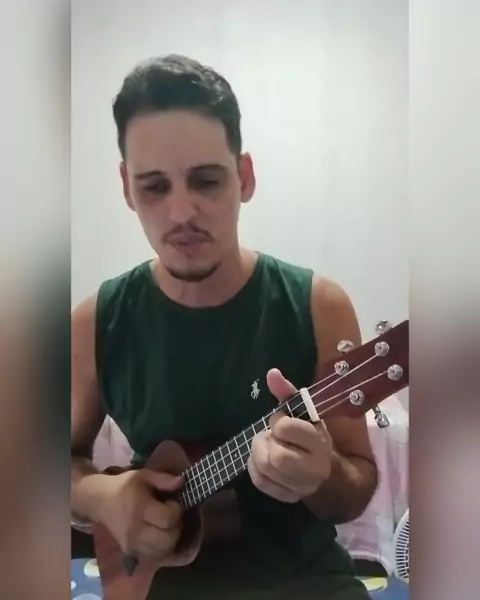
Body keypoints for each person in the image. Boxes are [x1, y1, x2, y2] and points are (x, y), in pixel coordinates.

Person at [71, 54, 378, 599]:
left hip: (302, 583)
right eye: (154, 187)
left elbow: (354, 488)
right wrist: (101, 497)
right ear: (126, 187)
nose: (181, 213)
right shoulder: (97, 320)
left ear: (245, 177)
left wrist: (323, 476)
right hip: (156, 581)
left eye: (206, 181)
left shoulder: (318, 305)